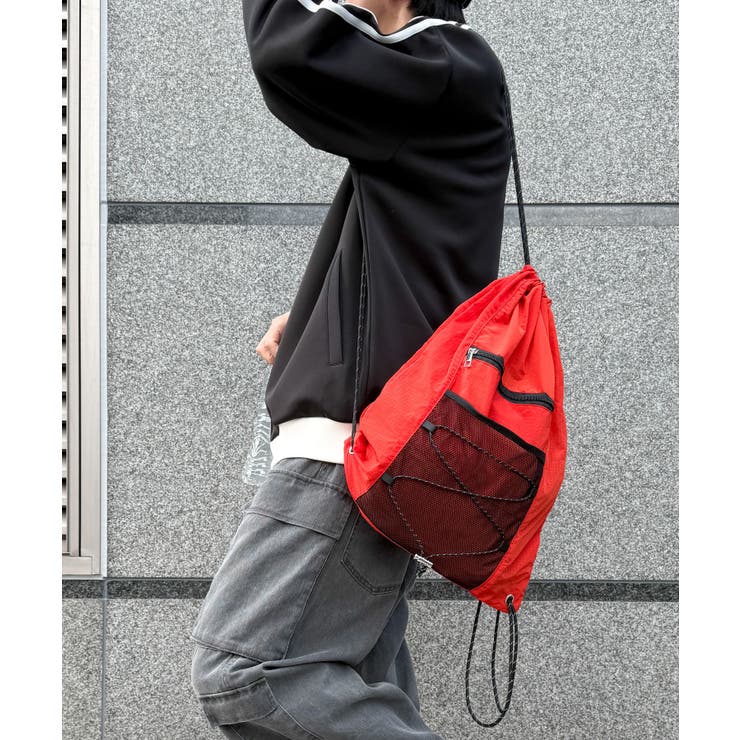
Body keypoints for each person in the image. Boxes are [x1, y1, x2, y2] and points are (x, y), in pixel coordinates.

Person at [190, 0, 512, 736]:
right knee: (353, 682)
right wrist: (311, 320)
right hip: (374, 444)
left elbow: (289, 52)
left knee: (245, 673)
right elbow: (410, 258)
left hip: (355, 450)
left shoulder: (442, 66)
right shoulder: (436, 79)